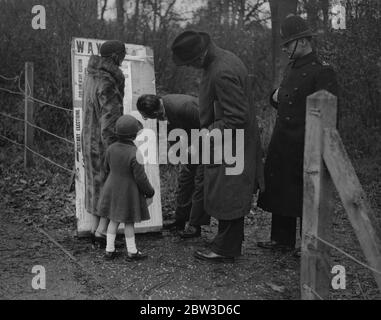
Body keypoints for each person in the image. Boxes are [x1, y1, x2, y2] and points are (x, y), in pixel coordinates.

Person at [171, 30, 262, 263]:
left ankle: (225, 249)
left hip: (232, 143)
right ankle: (226, 242)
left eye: (190, 63)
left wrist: (204, 138)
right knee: (226, 191)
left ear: (199, 56)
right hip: (228, 141)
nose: (191, 67)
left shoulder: (221, 71)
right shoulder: (222, 60)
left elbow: (236, 118)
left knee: (229, 193)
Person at [257, 15, 338, 256]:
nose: (284, 48)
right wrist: (275, 96)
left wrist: (324, 149)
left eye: (288, 44)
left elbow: (329, 113)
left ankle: (308, 242)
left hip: (306, 142)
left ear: (303, 42)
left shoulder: (323, 72)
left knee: (305, 193)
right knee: (280, 188)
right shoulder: (292, 67)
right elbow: (285, 101)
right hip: (283, 139)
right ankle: (280, 239)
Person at [136, 94, 210, 238]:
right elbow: (173, 134)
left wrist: (195, 146)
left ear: (156, 113)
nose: (147, 120)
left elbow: (208, 128)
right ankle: (180, 219)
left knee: (200, 183)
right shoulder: (162, 112)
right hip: (190, 144)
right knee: (185, 179)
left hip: (208, 143)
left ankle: (195, 225)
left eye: (146, 117)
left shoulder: (185, 107)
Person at [81, 40, 126, 248]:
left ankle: (94, 229)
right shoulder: (108, 82)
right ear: (116, 56)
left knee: (95, 186)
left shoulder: (91, 76)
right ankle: (102, 233)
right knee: (110, 185)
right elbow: (111, 122)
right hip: (102, 142)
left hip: (89, 139)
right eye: (122, 55)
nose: (123, 59)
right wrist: (115, 150)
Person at [98, 115, 155, 260]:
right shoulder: (135, 153)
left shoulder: (110, 148)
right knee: (129, 222)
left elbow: (106, 168)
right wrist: (150, 192)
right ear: (135, 134)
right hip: (128, 192)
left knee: (113, 220)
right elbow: (140, 178)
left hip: (111, 189)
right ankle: (132, 252)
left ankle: (109, 250)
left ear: (117, 132)